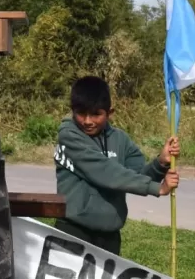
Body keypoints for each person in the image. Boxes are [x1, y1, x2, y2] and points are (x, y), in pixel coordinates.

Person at [53, 75, 180, 255]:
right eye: (81, 113)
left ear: (109, 112)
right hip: (73, 230)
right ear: (72, 111)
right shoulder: (69, 135)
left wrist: (161, 162)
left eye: (96, 114)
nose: (87, 121)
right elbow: (105, 172)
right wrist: (157, 188)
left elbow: (138, 175)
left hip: (110, 236)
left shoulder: (120, 139)